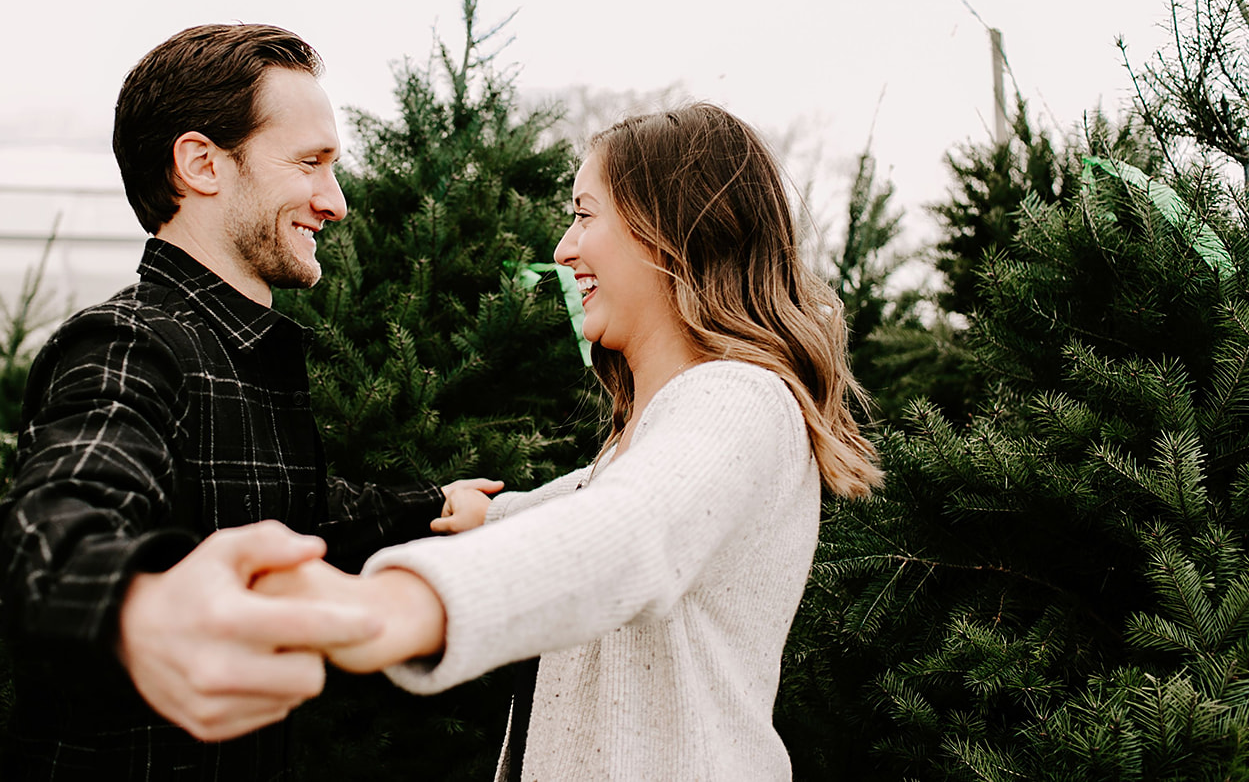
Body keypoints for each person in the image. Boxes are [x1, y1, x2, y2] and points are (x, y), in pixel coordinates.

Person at [258, 102, 884, 780]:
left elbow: (629, 528)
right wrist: (491, 512)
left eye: (585, 214)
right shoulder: (650, 432)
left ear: (671, 232)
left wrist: (385, 607)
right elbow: (596, 496)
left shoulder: (737, 399)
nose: (562, 248)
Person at [0, 23, 501, 780]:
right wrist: (137, 607)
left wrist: (439, 502)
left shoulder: (238, 350)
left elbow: (302, 513)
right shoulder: (130, 344)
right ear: (201, 163)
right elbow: (46, 531)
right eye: (310, 163)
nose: (337, 202)